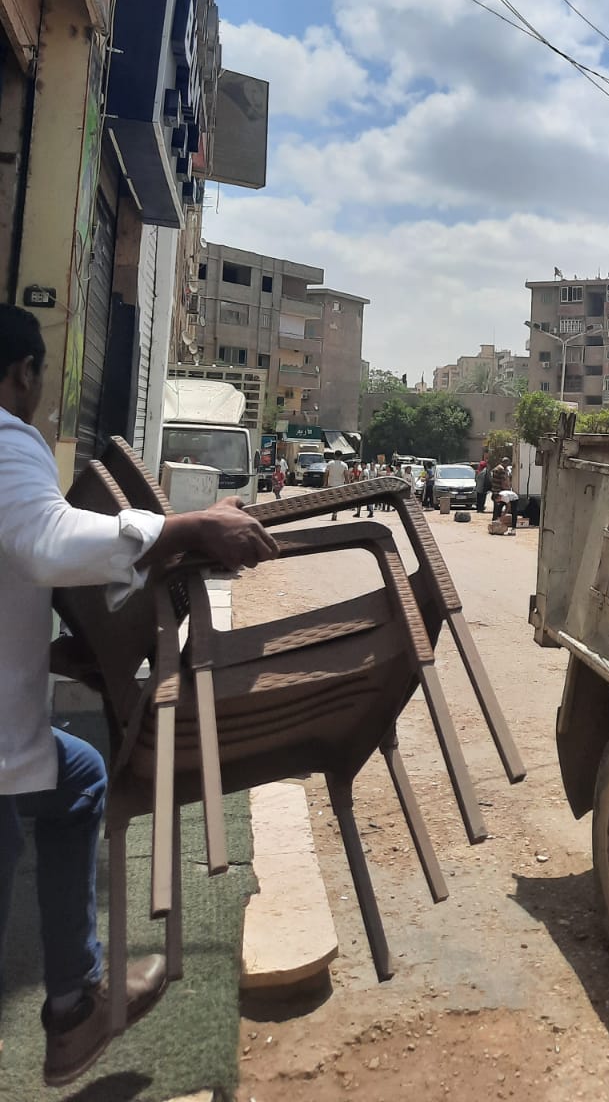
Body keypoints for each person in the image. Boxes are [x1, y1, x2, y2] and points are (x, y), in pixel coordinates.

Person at [0, 305, 278, 1087]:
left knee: (77, 775)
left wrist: (56, 652)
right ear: (24, 373)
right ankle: (71, 1006)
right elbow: (45, 542)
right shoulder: (8, 437)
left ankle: (72, 1007)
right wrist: (182, 530)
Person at [325, 451, 348, 520]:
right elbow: (346, 476)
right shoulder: (344, 465)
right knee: (337, 500)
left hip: (331, 485)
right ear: (341, 456)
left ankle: (333, 511)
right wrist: (348, 485)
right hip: (340, 485)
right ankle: (335, 512)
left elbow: (326, 474)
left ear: (334, 456)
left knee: (332, 500)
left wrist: (325, 483)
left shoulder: (330, 463)